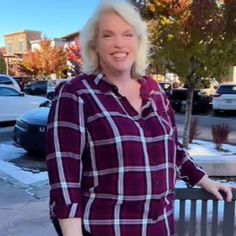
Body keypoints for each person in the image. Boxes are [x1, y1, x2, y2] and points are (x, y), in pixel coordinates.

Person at [46, 1, 232, 236]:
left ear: (138, 41)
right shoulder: (76, 93)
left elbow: (172, 150)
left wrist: (204, 180)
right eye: (108, 35)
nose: (119, 43)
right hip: (107, 229)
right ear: (95, 44)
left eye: (128, 34)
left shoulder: (154, 91)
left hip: (161, 228)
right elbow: (65, 178)